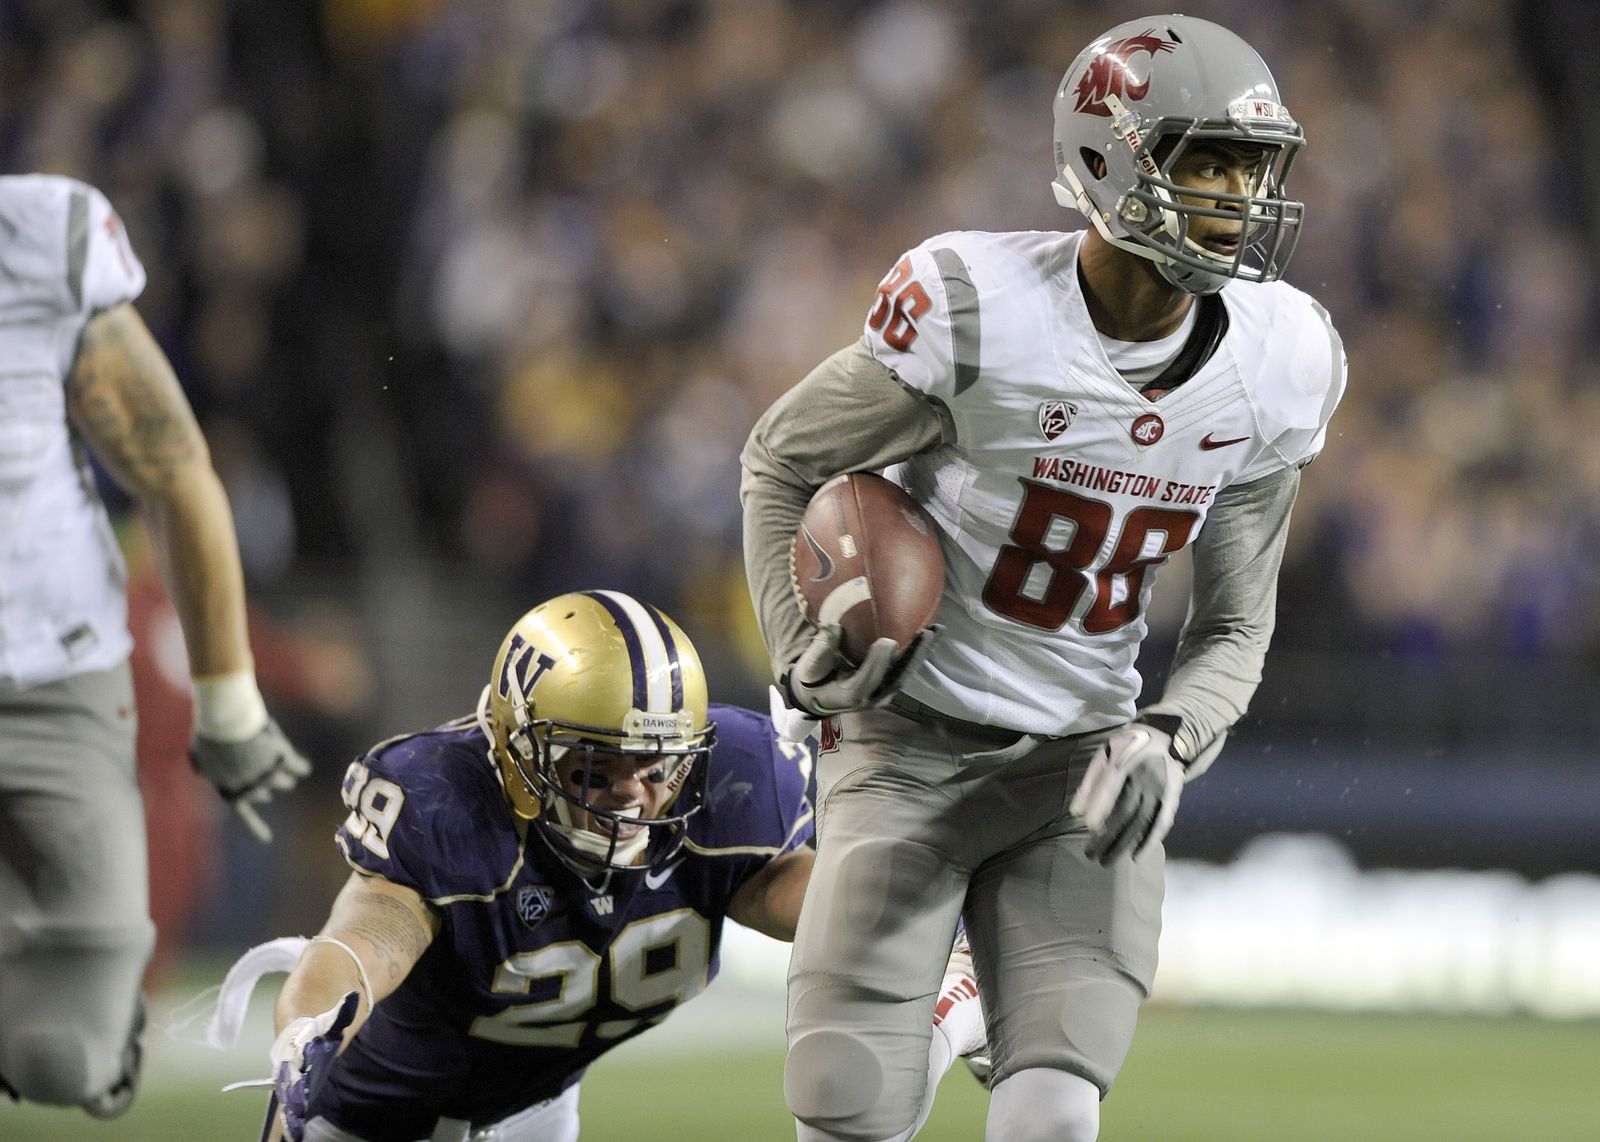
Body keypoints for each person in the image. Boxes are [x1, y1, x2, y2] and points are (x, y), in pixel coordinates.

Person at [740, 14, 1347, 1142]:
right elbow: (781, 456)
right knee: (842, 1114)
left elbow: (1232, 624)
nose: (1235, 195)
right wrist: (795, 643)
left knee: (1056, 1115)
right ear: (1111, 159)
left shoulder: (1282, 361)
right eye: (1203, 159)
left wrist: (1168, 738)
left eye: (1251, 166)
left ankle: (964, 1004)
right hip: (906, 743)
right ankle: (940, 1007)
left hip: (1078, 759)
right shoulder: (979, 314)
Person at [216, 589, 985, 1142]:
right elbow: (366, 938)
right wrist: (306, 1026)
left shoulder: (731, 784)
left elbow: (810, 899)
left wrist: (940, 918)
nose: (634, 795)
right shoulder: (450, 802)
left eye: (656, 766)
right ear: (518, 755)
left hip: (538, 1113)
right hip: (370, 1120)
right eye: (595, 766)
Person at [0, 174, 312, 1116]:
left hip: (51, 674)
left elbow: (173, 467)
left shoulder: (36, 235)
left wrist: (231, 703)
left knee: (69, 1058)